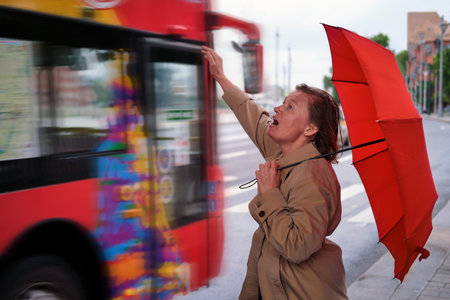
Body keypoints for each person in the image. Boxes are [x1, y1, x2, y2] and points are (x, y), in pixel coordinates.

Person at [201, 46, 348, 300]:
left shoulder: (314, 175)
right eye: (283, 102)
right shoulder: (284, 154)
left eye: (290, 107)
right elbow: (255, 118)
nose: (278, 109)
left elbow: (297, 246)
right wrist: (221, 77)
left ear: (310, 128)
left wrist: (269, 193)